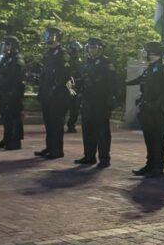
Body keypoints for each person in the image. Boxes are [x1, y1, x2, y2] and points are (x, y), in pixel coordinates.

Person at [126, 41, 164, 178]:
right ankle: (149, 165)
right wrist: (125, 83)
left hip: (157, 109)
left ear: (155, 53)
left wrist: (158, 104)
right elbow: (140, 80)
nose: (148, 55)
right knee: (149, 138)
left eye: (149, 52)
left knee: (157, 139)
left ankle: (157, 168)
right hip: (147, 108)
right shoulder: (150, 68)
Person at [74, 37, 116, 167]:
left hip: (100, 100)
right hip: (88, 100)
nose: (91, 50)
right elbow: (81, 78)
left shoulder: (105, 62)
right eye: (90, 47)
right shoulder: (87, 62)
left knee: (102, 131)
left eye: (94, 47)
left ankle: (104, 158)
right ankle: (89, 156)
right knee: (88, 130)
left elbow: (112, 81)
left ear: (100, 48)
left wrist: (109, 96)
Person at [35, 27, 72, 159]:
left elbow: (65, 75)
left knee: (56, 123)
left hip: (58, 94)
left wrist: (56, 88)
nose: (48, 37)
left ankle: (57, 150)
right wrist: (41, 91)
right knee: (48, 122)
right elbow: (44, 75)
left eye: (50, 35)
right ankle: (50, 147)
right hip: (47, 93)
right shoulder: (48, 54)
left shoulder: (63, 54)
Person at [0, 37, 26, 151]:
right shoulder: (6, 59)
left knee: (14, 117)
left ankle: (15, 141)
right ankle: (7, 138)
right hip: (4, 91)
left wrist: (14, 93)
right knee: (6, 117)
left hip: (13, 92)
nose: (5, 47)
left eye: (7, 45)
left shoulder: (17, 59)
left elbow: (17, 78)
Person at [65, 40, 82, 133]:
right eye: (74, 50)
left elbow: (81, 74)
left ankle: (71, 126)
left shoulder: (79, 61)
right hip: (66, 85)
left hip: (75, 86)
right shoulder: (66, 60)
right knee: (64, 107)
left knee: (74, 108)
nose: (76, 52)